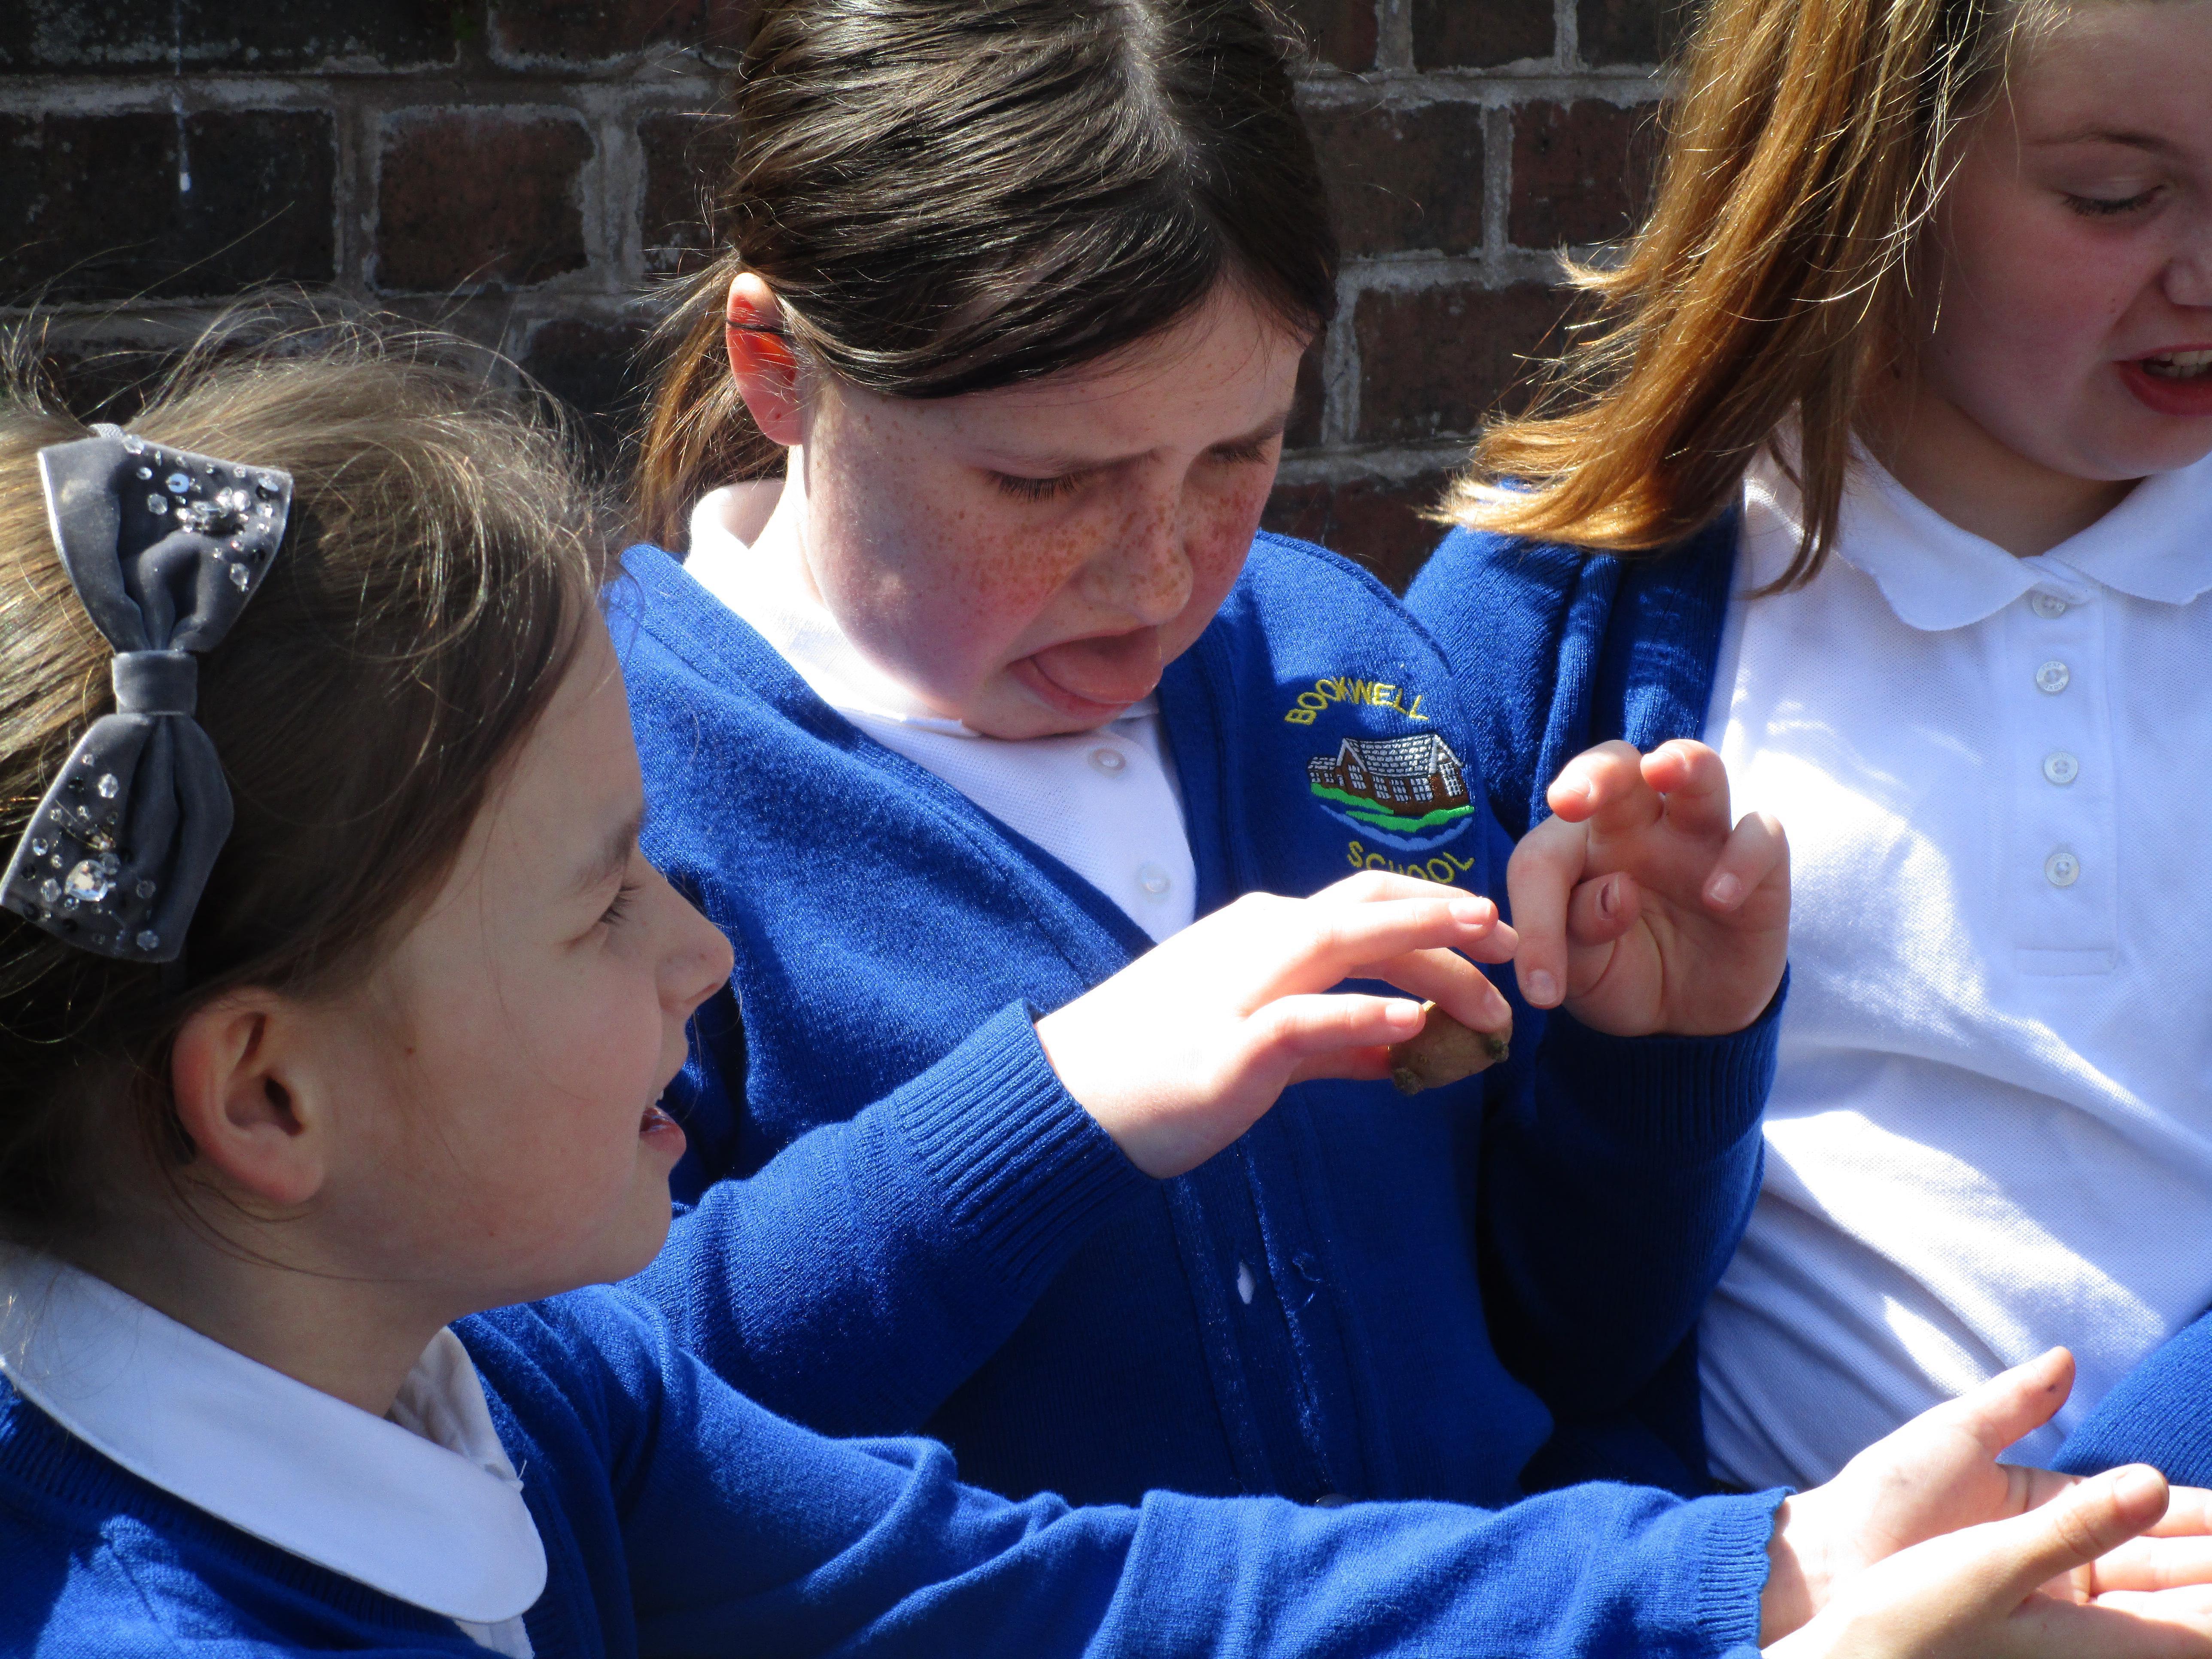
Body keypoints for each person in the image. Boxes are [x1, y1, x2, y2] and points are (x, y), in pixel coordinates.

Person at [15, 330, 2212, 1659]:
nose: (699, 949)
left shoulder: (508, 1385)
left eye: (1236, 456)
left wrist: (1770, 1572)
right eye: (606, 905)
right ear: (267, 1099)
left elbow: (1099, 1601)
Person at [615, 0, 1790, 1512]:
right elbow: (563, 1418)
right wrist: (1044, 1117)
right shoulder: (604, 794)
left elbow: (1565, 1344)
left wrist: (1658, 1063)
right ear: (778, 367)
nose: (1162, 572)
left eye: (1238, 454)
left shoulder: (1343, 669)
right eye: (1045, 482)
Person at [1404, 0, 2212, 1494]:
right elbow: (1487, 1331)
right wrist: (1657, 1073)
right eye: (2117, 196)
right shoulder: (1553, 613)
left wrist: (2090, 1543)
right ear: (1873, 167)